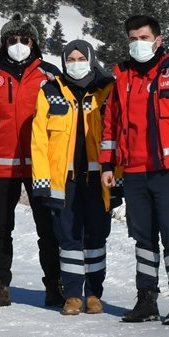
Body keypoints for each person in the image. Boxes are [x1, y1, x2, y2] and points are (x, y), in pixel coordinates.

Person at [100, 14, 169, 325]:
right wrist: (108, 164)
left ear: (158, 40)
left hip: (168, 173)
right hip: (133, 173)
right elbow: (111, 124)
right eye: (133, 38)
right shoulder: (121, 76)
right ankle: (146, 299)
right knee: (143, 239)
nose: (138, 44)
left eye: (143, 38)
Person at [0, 15, 62, 308]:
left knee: (48, 229)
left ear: (34, 43)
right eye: (12, 40)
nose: (18, 45)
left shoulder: (49, 75)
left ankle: (54, 287)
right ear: (4, 44)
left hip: (40, 167)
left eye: (24, 40)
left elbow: (63, 121)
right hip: (0, 165)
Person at [31, 40, 118, 315]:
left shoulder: (107, 90)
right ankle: (72, 295)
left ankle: (94, 294)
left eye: (81, 57)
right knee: (68, 239)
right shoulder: (50, 90)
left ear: (91, 59)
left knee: (95, 238)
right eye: (71, 58)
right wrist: (41, 180)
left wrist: (119, 175)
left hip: (99, 179)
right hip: (63, 180)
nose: (76, 63)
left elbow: (119, 133)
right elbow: (39, 140)